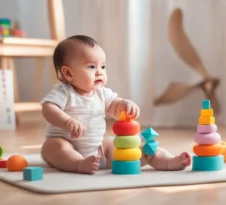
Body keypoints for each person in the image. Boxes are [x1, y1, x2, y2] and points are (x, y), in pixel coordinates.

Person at [40, 35, 191, 174]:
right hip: (68, 145)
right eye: (92, 67)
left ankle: (167, 161)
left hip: (99, 151)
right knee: (54, 147)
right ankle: (79, 164)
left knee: (136, 145)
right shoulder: (64, 92)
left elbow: (115, 107)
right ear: (69, 74)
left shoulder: (101, 93)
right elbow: (48, 108)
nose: (99, 72)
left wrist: (125, 105)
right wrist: (67, 121)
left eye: (103, 67)